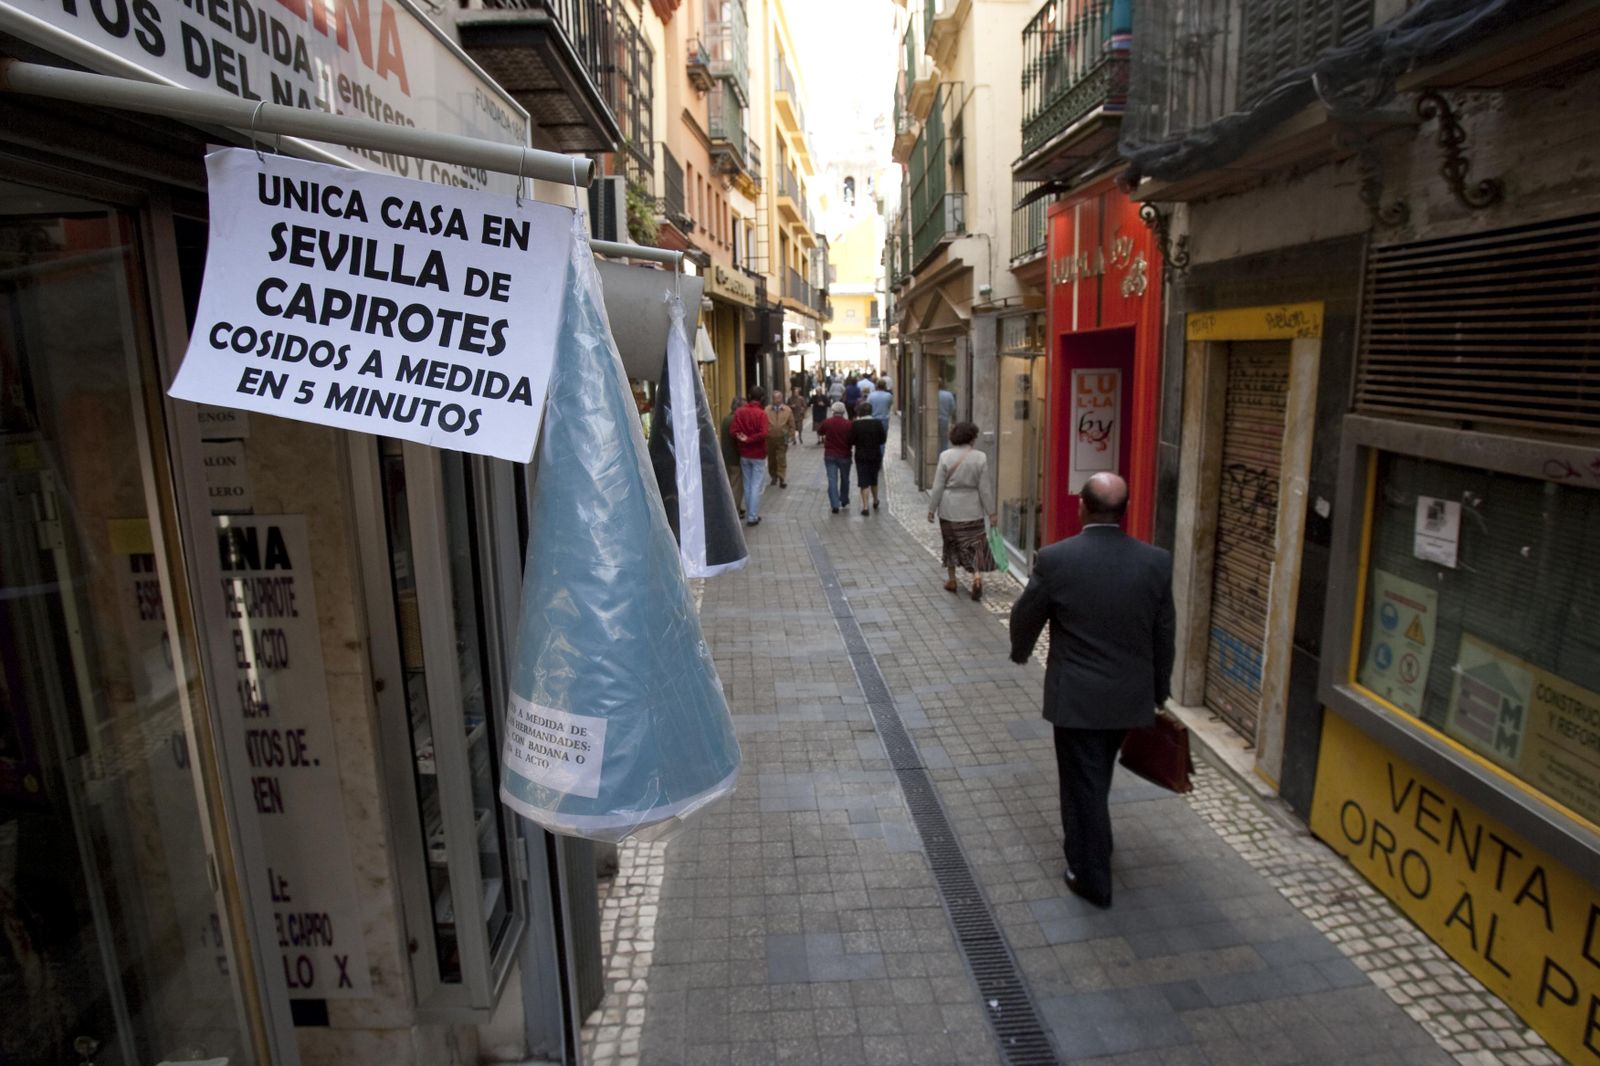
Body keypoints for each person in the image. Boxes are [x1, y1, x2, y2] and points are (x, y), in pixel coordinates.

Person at [1008, 473, 1175, 910]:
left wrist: (1020, 652)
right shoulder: (1155, 562)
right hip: (1128, 698)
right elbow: (1164, 634)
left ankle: (1091, 875)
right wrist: (1159, 691)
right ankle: (1097, 841)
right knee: (1094, 776)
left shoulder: (1058, 559)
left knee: (1082, 783)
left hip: (1077, 699)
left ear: (1082, 506)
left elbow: (1026, 615)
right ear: (1125, 510)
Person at [927, 421, 996, 600]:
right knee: (974, 544)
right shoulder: (980, 457)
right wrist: (992, 512)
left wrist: (931, 509)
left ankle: (952, 580)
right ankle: (977, 576)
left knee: (951, 543)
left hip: (950, 508)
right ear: (972, 437)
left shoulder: (945, 456)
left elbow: (938, 486)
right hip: (972, 507)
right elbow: (985, 489)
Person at [730, 386, 770, 525]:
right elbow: (764, 433)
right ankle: (752, 516)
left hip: (744, 453)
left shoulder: (740, 412)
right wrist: (750, 439)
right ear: (762, 398)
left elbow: (733, 430)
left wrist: (741, 437)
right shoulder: (762, 414)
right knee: (756, 485)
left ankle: (750, 514)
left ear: (748, 396)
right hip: (758, 454)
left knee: (747, 484)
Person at [849, 401, 887, 515]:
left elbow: (852, 441)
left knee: (863, 481)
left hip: (861, 455)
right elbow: (882, 440)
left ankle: (865, 507)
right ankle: (875, 500)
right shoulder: (878, 423)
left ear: (860, 412)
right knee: (873, 479)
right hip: (875, 454)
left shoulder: (856, 424)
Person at [820, 401, 854, 514]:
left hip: (830, 455)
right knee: (845, 479)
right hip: (845, 455)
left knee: (832, 480)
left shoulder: (827, 422)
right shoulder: (849, 424)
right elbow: (852, 439)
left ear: (833, 411)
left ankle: (835, 504)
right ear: (844, 411)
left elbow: (820, 431)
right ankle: (844, 499)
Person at [719, 396, 745, 519]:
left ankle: (732, 508)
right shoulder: (736, 420)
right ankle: (735, 510)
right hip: (735, 457)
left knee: (730, 483)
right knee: (736, 485)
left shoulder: (726, 418)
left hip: (726, 456)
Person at [766, 391, 794, 489]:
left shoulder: (787, 410)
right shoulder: (767, 410)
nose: (776, 400)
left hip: (782, 438)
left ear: (781, 399)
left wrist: (791, 436)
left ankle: (782, 478)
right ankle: (773, 476)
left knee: (781, 458)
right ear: (772, 399)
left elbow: (791, 424)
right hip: (770, 439)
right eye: (774, 398)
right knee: (772, 458)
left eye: (778, 398)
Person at [867, 377, 892, 445]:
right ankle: (881, 454)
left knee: (873, 439)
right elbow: (889, 405)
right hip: (884, 419)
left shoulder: (871, 395)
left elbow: (868, 406)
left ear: (877, 385)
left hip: (873, 419)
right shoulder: (889, 395)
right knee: (883, 440)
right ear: (885, 386)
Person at [937, 382, 956, 451]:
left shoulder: (930, 394)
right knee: (944, 439)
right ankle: (943, 453)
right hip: (944, 419)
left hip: (932, 420)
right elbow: (953, 408)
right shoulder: (948, 394)